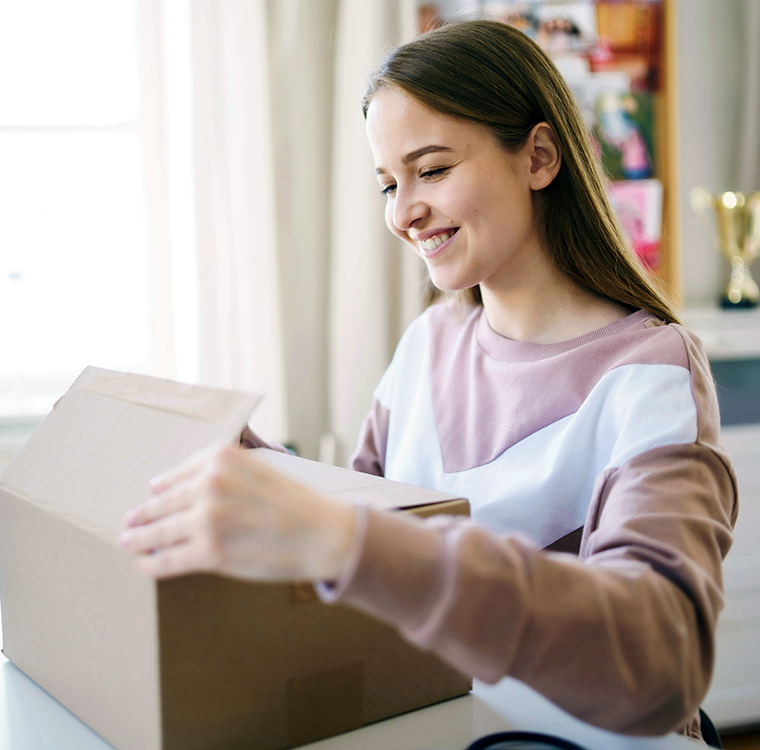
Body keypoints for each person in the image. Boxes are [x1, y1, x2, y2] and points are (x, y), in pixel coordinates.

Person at [118, 20, 737, 742]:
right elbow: (370, 541)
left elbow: (659, 658)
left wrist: (342, 539)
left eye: (433, 169)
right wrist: (282, 487)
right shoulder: (429, 341)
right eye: (388, 183)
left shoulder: (651, 375)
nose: (403, 212)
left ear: (538, 157)